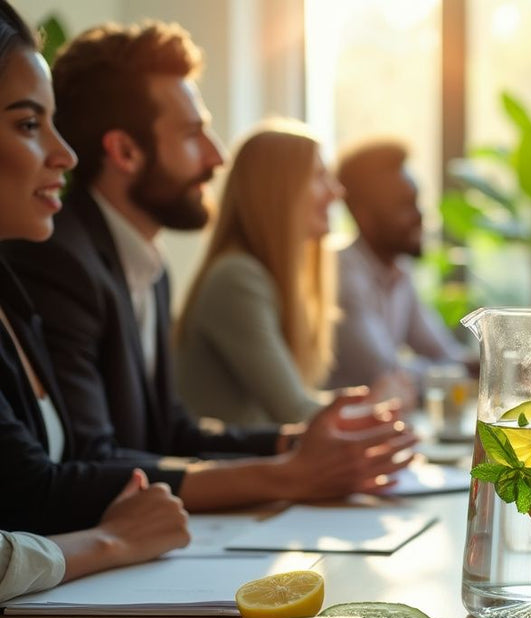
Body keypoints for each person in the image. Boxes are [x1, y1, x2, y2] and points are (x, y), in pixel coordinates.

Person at [0, 21, 415, 532]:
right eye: (194, 134)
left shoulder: (144, 264)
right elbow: (82, 462)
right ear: (125, 152)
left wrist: (290, 444)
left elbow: (169, 431)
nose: (219, 157)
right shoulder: (59, 260)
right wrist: (285, 474)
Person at [0, 0, 189, 599]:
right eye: (28, 125)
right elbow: (37, 489)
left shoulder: (10, 294)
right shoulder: (57, 262)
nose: (65, 155)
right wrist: (113, 540)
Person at [175, 122, 344, 426]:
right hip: (227, 469)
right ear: (278, 191)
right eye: (320, 177)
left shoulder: (259, 276)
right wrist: (379, 410)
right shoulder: (237, 278)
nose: (336, 192)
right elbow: (294, 412)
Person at [326, 140, 469, 405]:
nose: (420, 217)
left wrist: (507, 368)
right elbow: (381, 372)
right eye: (405, 206)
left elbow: (444, 353)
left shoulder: (399, 271)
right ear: (364, 217)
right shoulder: (340, 274)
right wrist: (459, 374)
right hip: (346, 431)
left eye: (417, 202)